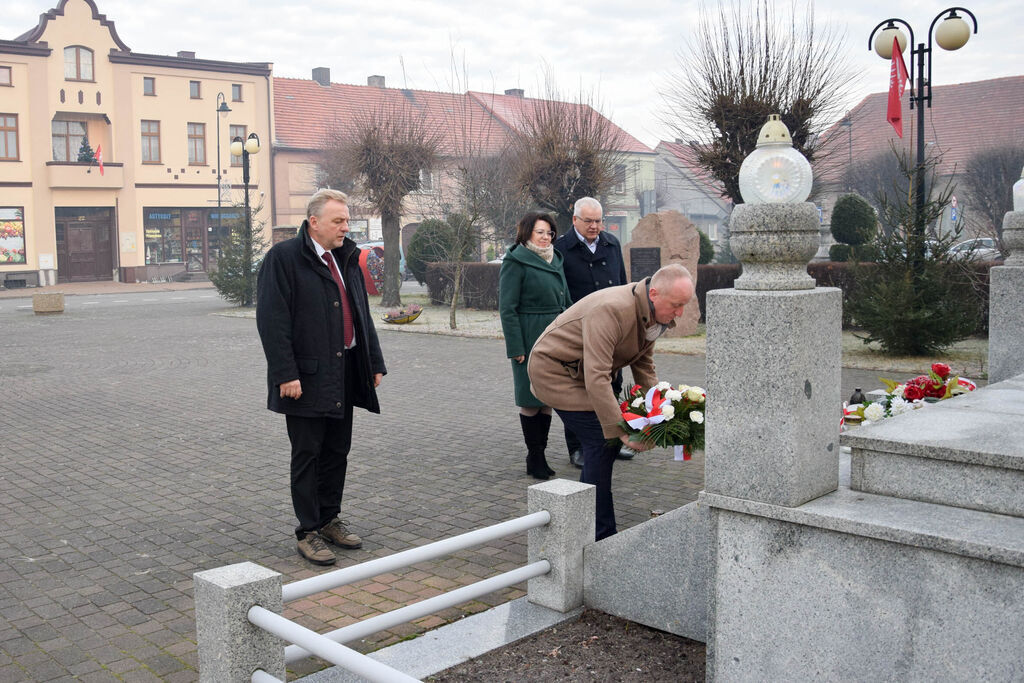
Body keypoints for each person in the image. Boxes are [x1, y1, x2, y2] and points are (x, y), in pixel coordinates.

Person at [256, 189, 387, 566]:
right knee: (308, 453)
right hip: (305, 378)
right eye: (338, 221)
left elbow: (361, 315)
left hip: (344, 370)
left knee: (336, 451)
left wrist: (372, 362)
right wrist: (285, 373)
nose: (346, 227)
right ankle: (308, 530)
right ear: (314, 222)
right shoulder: (284, 259)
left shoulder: (347, 257)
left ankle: (330, 518)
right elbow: (272, 321)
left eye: (346, 220)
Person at [527, 264, 695, 541]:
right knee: (602, 440)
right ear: (654, 293)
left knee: (604, 442)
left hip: (584, 374)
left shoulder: (650, 314)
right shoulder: (611, 309)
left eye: (684, 305)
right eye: (677, 305)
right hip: (555, 373)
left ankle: (587, 524)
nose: (680, 314)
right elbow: (597, 377)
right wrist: (621, 430)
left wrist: (664, 411)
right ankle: (599, 534)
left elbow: (644, 366)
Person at [553, 196, 630, 468]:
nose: (595, 226)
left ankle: (613, 440)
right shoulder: (561, 247)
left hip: (611, 329)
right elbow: (560, 292)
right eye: (589, 221)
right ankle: (578, 448)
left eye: (598, 220)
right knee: (579, 388)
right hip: (579, 330)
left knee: (612, 385)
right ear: (575, 220)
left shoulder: (611, 244)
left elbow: (622, 285)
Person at [499, 212, 573, 480]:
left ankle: (539, 453)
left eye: (549, 233)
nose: (545, 237)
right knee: (530, 399)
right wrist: (515, 347)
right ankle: (535, 455)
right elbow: (507, 309)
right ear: (527, 232)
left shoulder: (556, 259)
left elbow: (565, 299)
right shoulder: (515, 261)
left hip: (556, 336)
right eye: (540, 232)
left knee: (547, 399)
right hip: (529, 336)